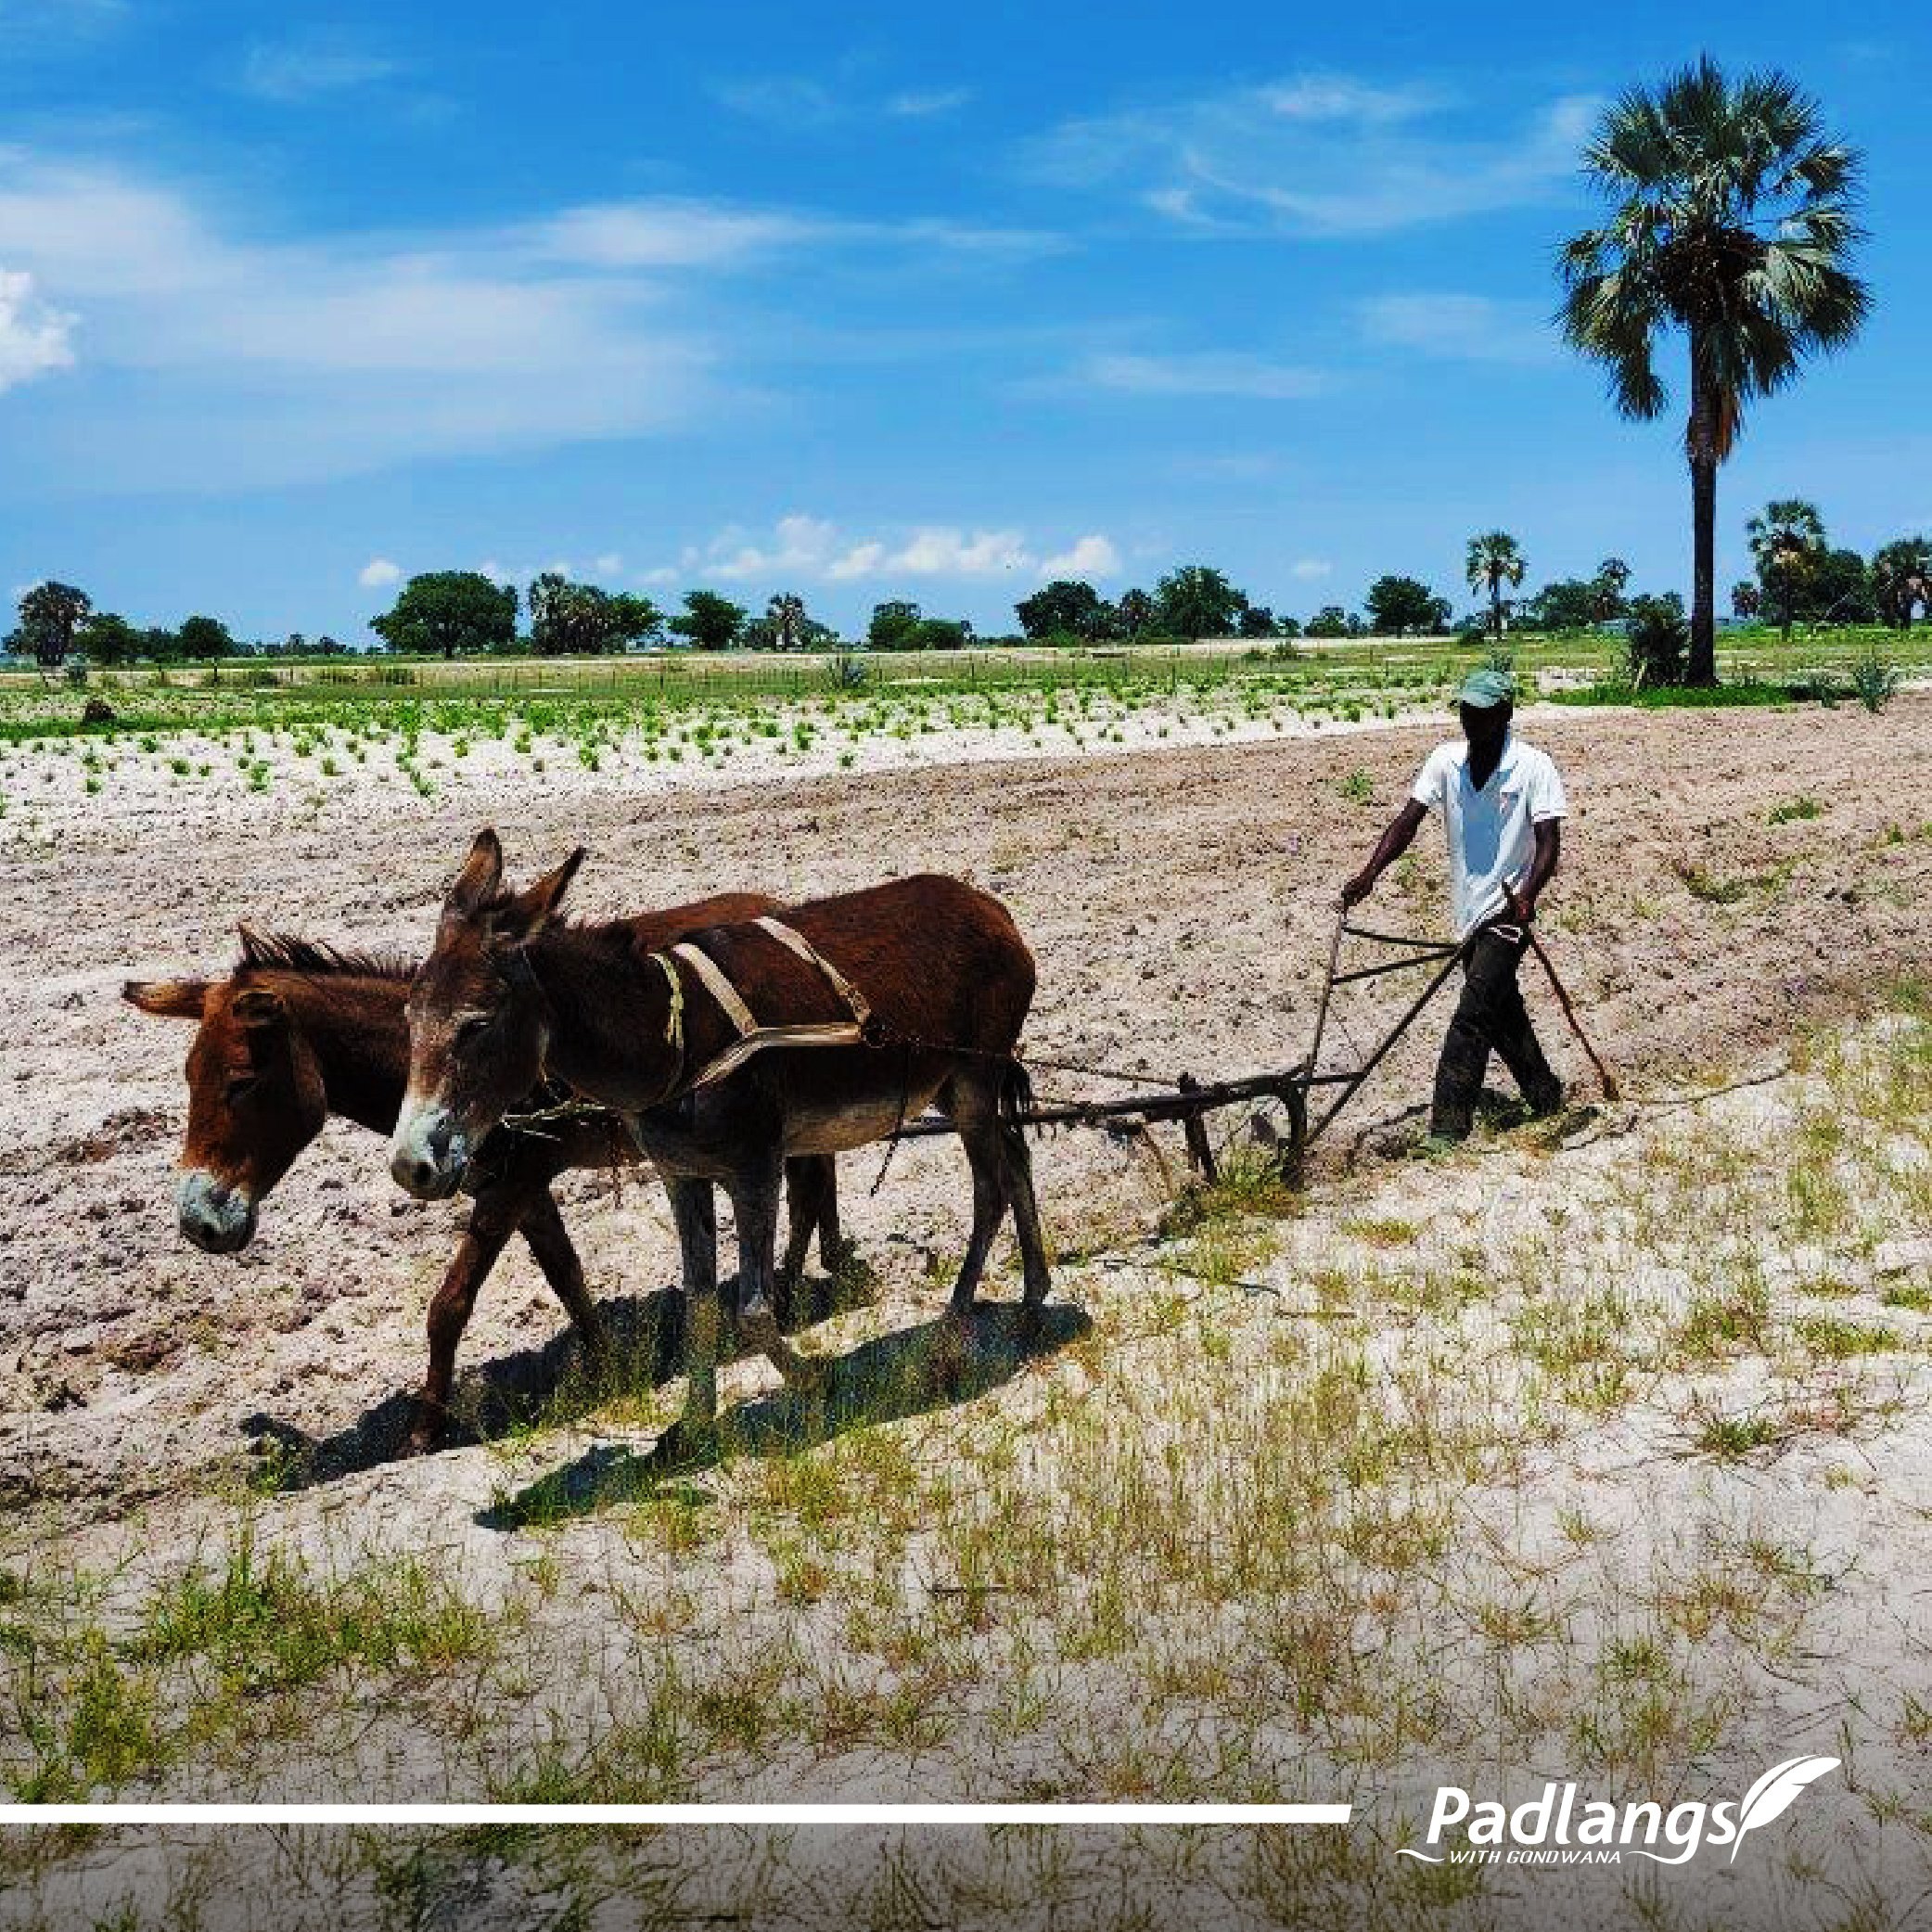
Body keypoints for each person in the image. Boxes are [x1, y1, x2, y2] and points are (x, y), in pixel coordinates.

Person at [1340, 668, 1567, 1144]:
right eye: (1465, 710)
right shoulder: (1445, 762)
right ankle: (1546, 1095)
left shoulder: (1533, 767)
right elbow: (1407, 824)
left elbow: (1549, 842)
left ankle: (1446, 1130)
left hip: (1507, 914)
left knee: (1471, 1017)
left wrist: (1528, 895)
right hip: (1467, 912)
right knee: (1502, 1012)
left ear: (1504, 714)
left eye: (1480, 712)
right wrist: (1368, 874)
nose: (1469, 721)